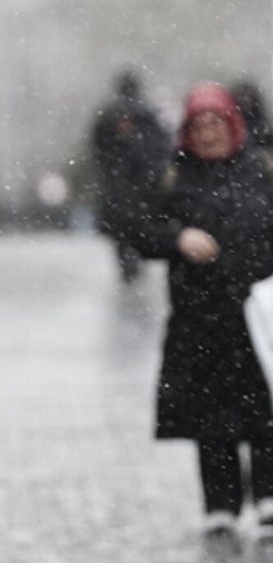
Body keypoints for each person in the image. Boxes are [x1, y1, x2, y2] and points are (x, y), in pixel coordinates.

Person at [126, 82, 273, 539]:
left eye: (216, 124)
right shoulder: (173, 177)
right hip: (199, 318)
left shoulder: (262, 171)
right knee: (211, 415)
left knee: (265, 404)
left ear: (233, 125)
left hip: (259, 314)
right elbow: (141, 228)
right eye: (199, 126)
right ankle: (220, 503)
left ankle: (269, 495)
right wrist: (178, 238)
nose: (209, 134)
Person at [90, 70, 171, 283]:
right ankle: (135, 255)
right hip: (142, 182)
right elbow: (161, 144)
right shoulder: (147, 113)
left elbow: (97, 146)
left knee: (120, 226)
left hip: (118, 181)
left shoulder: (109, 114)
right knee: (139, 221)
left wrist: (107, 168)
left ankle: (126, 259)